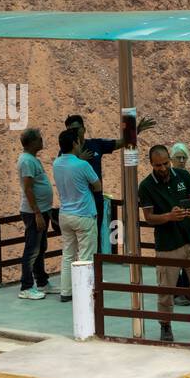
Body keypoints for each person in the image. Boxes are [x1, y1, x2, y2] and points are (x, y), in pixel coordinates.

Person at [64, 112, 155, 252]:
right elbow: (62, 170)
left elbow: (120, 142)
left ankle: (96, 266)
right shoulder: (65, 153)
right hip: (77, 201)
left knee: (96, 234)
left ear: (84, 129)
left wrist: (136, 131)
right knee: (77, 240)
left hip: (96, 198)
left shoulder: (95, 145)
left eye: (77, 128)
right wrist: (79, 159)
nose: (74, 132)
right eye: (70, 130)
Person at [138, 145, 190, 343]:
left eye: (165, 163)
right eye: (158, 165)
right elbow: (148, 218)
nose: (163, 168)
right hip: (168, 245)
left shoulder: (183, 176)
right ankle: (165, 325)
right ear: (151, 164)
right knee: (166, 289)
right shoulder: (146, 186)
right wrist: (169, 216)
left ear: (169, 160)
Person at [51, 128, 102, 303]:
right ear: (75, 143)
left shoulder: (56, 163)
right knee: (87, 256)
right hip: (84, 215)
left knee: (68, 254)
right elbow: (98, 186)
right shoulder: (83, 165)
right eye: (79, 141)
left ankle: (66, 291)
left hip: (65, 214)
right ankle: (85, 293)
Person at [16, 128, 54, 300]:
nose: (42, 141)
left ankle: (42, 282)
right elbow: (28, 188)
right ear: (32, 142)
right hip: (33, 213)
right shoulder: (26, 161)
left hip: (41, 210)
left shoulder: (32, 159)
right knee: (32, 249)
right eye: (39, 139)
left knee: (40, 247)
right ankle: (26, 286)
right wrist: (37, 213)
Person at [169, 143, 190, 300]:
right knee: (174, 260)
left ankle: (187, 290)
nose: (182, 160)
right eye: (178, 157)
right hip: (172, 223)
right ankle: (177, 292)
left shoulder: (187, 177)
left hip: (188, 224)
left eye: (184, 157)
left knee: (188, 258)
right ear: (171, 159)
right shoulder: (168, 176)